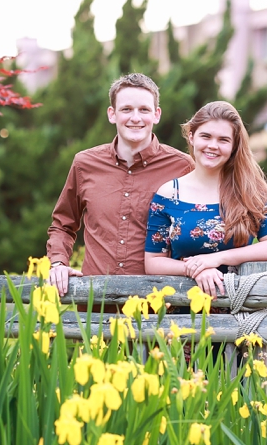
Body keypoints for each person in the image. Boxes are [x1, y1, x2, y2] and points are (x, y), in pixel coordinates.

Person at [46, 74, 194, 296]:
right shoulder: (84, 164)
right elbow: (63, 224)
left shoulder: (182, 168)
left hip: (156, 306)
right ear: (112, 114)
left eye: (144, 110)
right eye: (126, 109)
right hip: (95, 304)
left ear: (157, 114)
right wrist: (58, 263)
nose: (135, 118)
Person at [144, 101, 267, 297]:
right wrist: (197, 269)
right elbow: (153, 261)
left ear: (234, 146)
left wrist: (217, 259)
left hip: (240, 310)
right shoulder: (169, 194)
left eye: (223, 140)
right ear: (192, 137)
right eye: (206, 136)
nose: (213, 146)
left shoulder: (252, 192)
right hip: (183, 312)